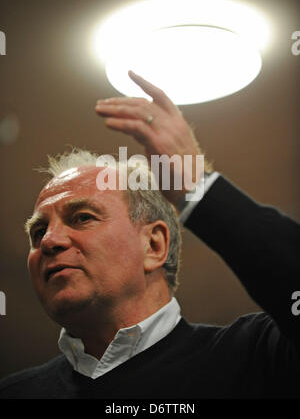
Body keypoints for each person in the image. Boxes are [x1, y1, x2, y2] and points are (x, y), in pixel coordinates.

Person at [0, 72, 299, 399]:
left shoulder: (259, 360)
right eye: (38, 230)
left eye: (82, 217)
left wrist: (197, 188)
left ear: (154, 245)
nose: (49, 241)